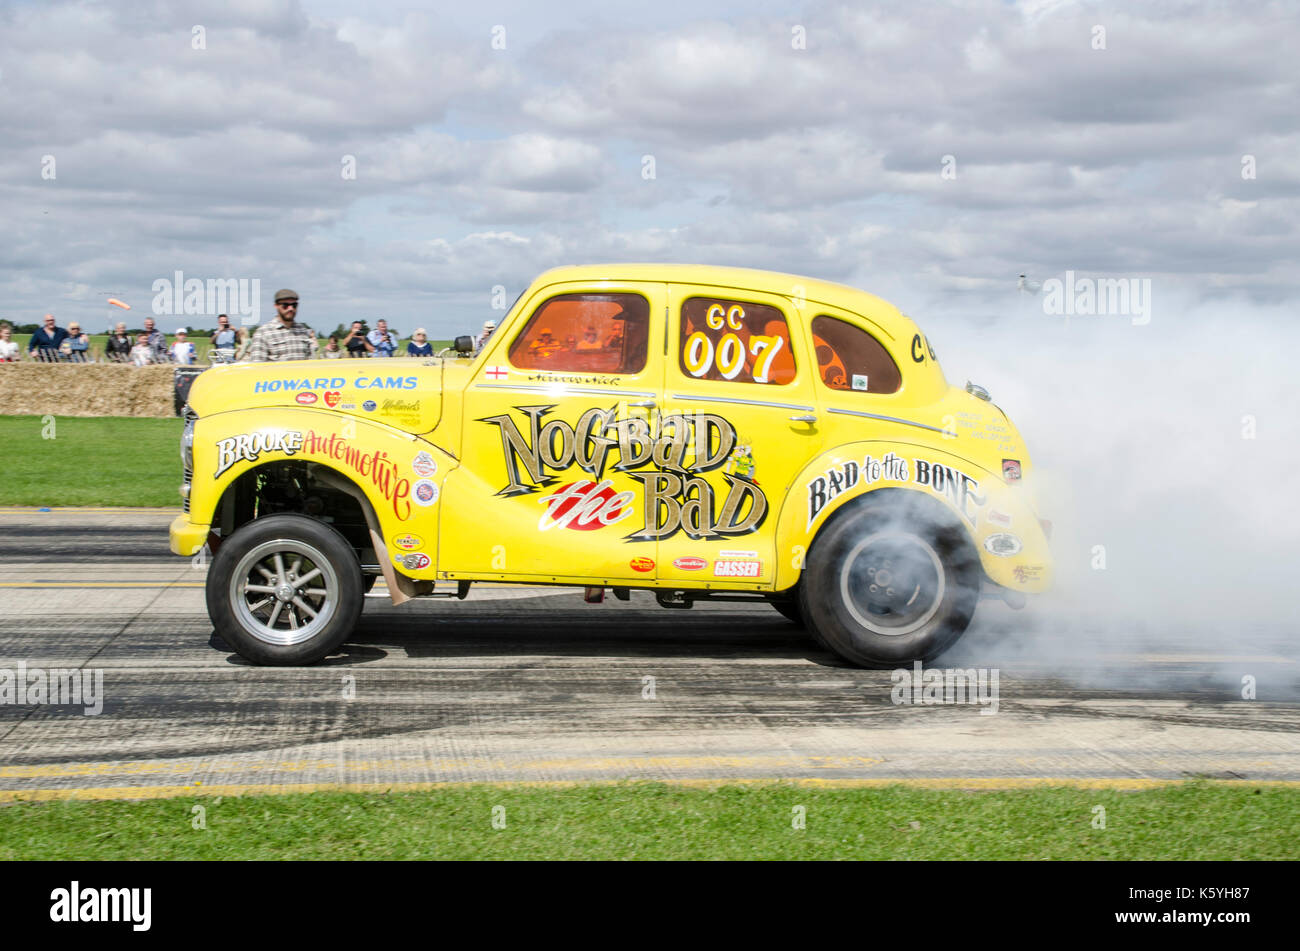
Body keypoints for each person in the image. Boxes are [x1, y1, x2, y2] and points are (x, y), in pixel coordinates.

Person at [243, 289, 318, 362]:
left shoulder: (303, 331)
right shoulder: (263, 333)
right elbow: (257, 367)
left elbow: (310, 362)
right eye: (285, 305)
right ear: (276, 306)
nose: (291, 308)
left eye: (294, 305)